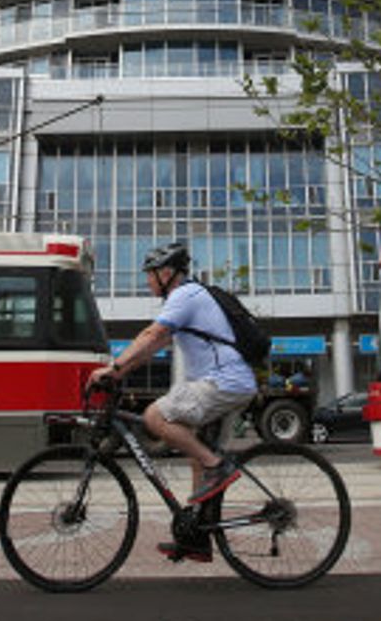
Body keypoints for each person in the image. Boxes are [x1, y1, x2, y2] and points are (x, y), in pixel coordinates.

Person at [89, 241, 257, 562]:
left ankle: (217, 468)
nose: (147, 281)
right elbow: (154, 345)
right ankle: (197, 536)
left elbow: (150, 336)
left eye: (150, 275)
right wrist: (121, 371)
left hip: (223, 382)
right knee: (196, 450)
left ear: (167, 273)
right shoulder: (189, 297)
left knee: (155, 417)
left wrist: (112, 369)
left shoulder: (184, 296)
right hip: (230, 383)